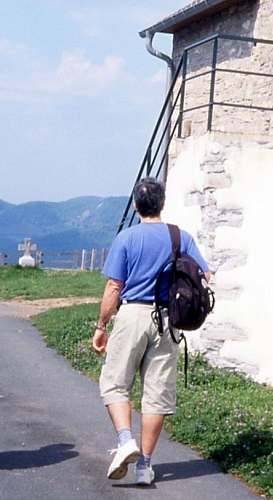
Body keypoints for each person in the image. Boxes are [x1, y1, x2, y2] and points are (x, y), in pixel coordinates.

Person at [92, 177, 211, 486]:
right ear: (162, 203)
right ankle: (144, 465)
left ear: (135, 205)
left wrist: (101, 325)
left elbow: (113, 287)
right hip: (167, 320)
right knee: (155, 395)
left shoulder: (127, 238)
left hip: (132, 313)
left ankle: (125, 439)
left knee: (116, 382)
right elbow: (205, 273)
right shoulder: (179, 237)